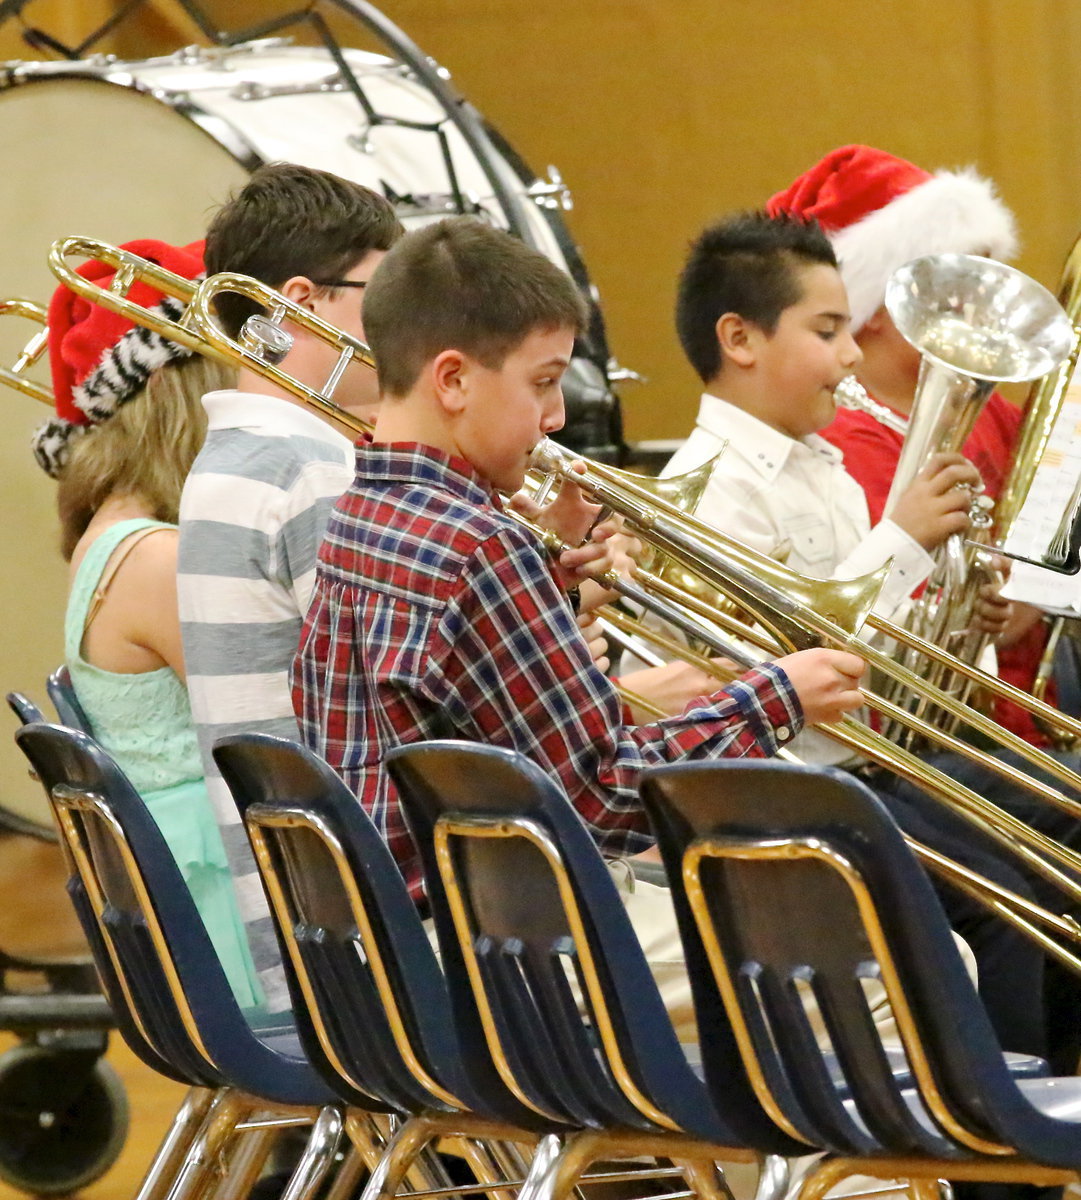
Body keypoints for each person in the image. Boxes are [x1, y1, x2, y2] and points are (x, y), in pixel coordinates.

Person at [288, 215, 889, 1044]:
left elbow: (470, 723)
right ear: (453, 380)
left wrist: (554, 603)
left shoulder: (362, 513)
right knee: (892, 966)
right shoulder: (478, 545)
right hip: (501, 953)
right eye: (542, 382)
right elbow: (603, 800)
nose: (557, 417)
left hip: (394, 949)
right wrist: (774, 697)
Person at [666, 208, 1081, 1071]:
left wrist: (969, 615)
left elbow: (887, 651)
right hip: (801, 785)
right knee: (1002, 903)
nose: (852, 356)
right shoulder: (708, 489)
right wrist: (902, 538)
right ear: (739, 339)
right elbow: (769, 670)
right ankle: (1005, 1137)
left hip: (876, 759)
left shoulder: (820, 467)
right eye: (827, 331)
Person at [176, 163, 404, 1012]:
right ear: (300, 302)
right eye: (383, 302)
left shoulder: (232, 457)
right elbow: (410, 703)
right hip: (370, 936)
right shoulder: (310, 468)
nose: (406, 332)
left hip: (297, 923)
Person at [36, 238, 262, 1011]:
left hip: (201, 908)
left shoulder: (117, 532)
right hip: (233, 928)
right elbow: (298, 725)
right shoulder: (156, 557)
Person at [765, 144, 1050, 746]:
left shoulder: (986, 407)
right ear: (871, 309)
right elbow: (898, 620)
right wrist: (1000, 609)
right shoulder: (838, 439)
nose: (982, 310)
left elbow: (1046, 509)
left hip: (1034, 692)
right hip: (956, 732)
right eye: (956, 287)